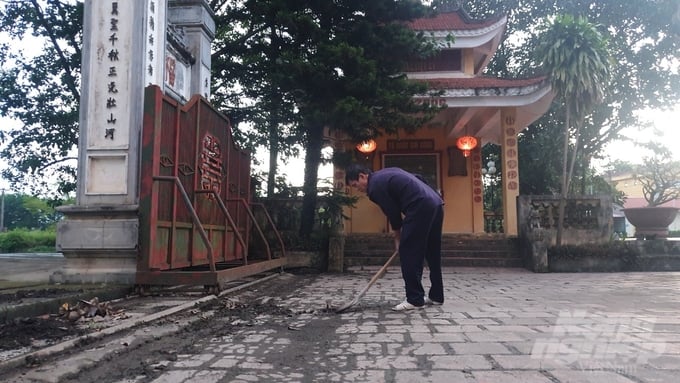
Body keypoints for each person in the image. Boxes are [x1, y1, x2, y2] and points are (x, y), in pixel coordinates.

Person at [345, 164, 445, 311]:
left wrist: (398, 238)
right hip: (436, 203)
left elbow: (392, 211)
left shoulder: (374, 187)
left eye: (356, 185)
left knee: (409, 252)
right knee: (432, 252)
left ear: (362, 176)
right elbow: (419, 178)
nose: (358, 189)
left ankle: (415, 299)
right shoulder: (387, 173)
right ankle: (436, 296)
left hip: (419, 206)